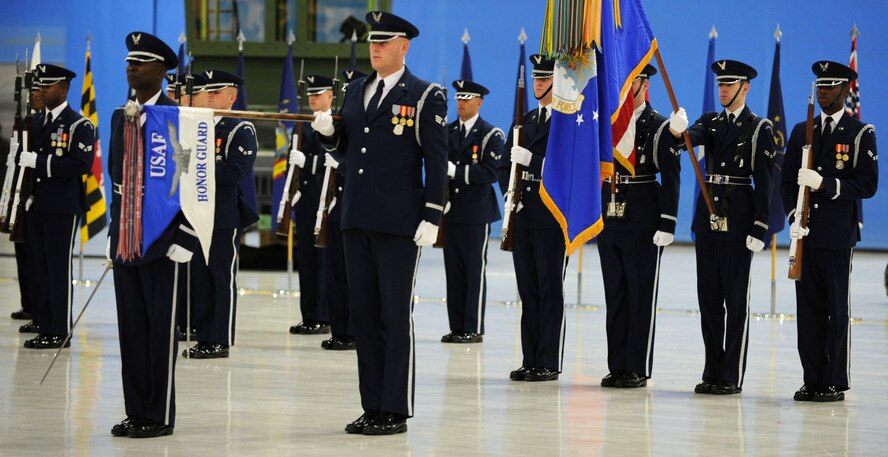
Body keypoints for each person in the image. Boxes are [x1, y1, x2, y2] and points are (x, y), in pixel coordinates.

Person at [310, 11, 447, 435]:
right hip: (356, 215)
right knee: (363, 316)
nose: (375, 48)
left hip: (399, 222)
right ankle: (372, 404)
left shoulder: (425, 95)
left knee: (393, 314)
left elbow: (436, 159)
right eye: (373, 41)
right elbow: (347, 149)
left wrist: (433, 213)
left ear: (404, 46)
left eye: (384, 42)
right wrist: (327, 132)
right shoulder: (355, 91)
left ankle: (395, 407)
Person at [669, 59, 775, 395]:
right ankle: (711, 369)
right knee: (709, 300)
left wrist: (760, 227)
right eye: (720, 84)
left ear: (745, 88)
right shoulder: (710, 122)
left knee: (735, 300)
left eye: (729, 84)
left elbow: (766, 183)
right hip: (709, 221)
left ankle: (730, 373)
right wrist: (677, 129)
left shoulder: (759, 128)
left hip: (739, 222)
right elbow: (683, 142)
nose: (723, 89)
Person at [108, 31, 194, 438]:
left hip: (164, 240)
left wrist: (187, 238)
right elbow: (116, 179)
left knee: (160, 332)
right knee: (131, 329)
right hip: (128, 240)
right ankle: (135, 410)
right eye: (129, 62)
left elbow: (195, 185)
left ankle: (158, 414)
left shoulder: (180, 118)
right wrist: (113, 237)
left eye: (140, 62)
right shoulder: (119, 117)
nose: (131, 68)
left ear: (161, 71)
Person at [781, 60, 877, 402]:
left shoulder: (859, 133)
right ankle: (812, 378)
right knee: (807, 311)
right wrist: (795, 215)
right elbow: (785, 180)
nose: (823, 91)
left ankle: (835, 379)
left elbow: (867, 184)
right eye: (819, 86)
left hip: (837, 236)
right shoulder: (800, 131)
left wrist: (826, 183)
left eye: (830, 86)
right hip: (806, 234)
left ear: (845, 89)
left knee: (836, 309)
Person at [597, 64, 680, 388]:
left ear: (644, 85)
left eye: (632, 82)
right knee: (615, 294)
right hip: (611, 214)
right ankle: (617, 365)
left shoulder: (659, 126)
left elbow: (672, 176)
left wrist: (667, 222)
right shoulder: (611, 123)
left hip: (643, 216)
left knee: (640, 295)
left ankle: (637, 366)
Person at [498, 54, 568, 382]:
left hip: (552, 215)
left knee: (549, 289)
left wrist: (534, 162)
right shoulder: (524, 121)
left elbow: (569, 171)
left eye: (545, 78)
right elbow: (504, 165)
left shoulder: (567, 123)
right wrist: (510, 195)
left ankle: (548, 361)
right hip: (524, 215)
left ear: (557, 81)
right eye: (537, 79)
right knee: (528, 290)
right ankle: (530, 358)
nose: (539, 83)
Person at [181, 70, 258, 359]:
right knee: (199, 278)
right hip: (196, 214)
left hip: (224, 215)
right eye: (207, 91)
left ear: (231, 97)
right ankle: (203, 336)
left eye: (216, 92)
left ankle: (220, 339)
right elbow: (180, 164)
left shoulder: (240, 129)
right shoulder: (195, 127)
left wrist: (197, 169)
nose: (209, 96)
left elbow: (235, 171)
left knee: (220, 277)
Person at [18, 64, 95, 349]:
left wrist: (39, 163)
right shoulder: (37, 122)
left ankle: (59, 329)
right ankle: (43, 320)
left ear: (63, 88)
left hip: (63, 208)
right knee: (39, 266)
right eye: (39, 87)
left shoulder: (79, 125)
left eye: (47, 86)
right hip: (37, 204)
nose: (40, 91)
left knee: (58, 269)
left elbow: (80, 164)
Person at [440, 79, 503, 344]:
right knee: (453, 270)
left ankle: (472, 327)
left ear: (479, 102)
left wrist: (458, 172)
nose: (461, 103)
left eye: (467, 98)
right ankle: (456, 326)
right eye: (458, 98)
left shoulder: (490, 134)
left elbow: (489, 171)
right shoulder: (447, 130)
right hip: (451, 211)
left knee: (474, 269)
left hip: (476, 212)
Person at [317, 70, 365, 351]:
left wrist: (338, 159)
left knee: (354, 276)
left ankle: (356, 330)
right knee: (335, 274)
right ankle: (340, 330)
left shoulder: (365, 122)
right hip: (338, 207)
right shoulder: (339, 121)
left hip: (359, 206)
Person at [288, 75, 332, 336]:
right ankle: (309, 315)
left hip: (325, 202)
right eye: (310, 95)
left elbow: (332, 158)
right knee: (306, 259)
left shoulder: (336, 124)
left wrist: (309, 163)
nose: (313, 99)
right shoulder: (302, 125)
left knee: (323, 260)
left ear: (330, 96)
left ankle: (324, 316)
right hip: (305, 202)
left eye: (318, 94)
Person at [9, 90, 45, 322]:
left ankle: (40, 309)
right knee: (23, 255)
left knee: (38, 260)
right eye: (31, 92)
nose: (33, 96)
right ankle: (28, 304)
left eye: (38, 92)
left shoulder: (47, 124)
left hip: (42, 199)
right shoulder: (26, 122)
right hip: (21, 198)